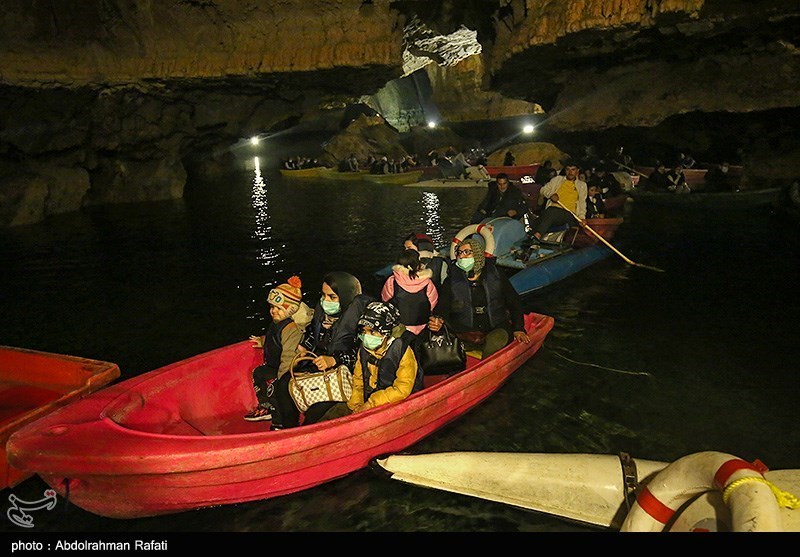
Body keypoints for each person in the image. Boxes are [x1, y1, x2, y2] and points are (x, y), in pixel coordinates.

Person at [270, 271, 374, 429]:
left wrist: (335, 360)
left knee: (316, 411)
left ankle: (305, 434)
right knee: (284, 383)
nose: (326, 301)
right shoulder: (322, 314)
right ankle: (288, 429)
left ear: (346, 296)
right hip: (319, 365)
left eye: (332, 297)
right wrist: (304, 347)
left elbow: (363, 354)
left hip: (346, 375)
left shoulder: (361, 321)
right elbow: (312, 334)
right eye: (324, 295)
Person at [314, 301, 423, 422]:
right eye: (363, 332)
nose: (366, 337)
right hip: (370, 399)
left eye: (372, 332)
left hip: (395, 401)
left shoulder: (402, 352)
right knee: (331, 414)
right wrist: (355, 406)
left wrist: (371, 404)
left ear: (385, 332)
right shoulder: (364, 350)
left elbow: (402, 389)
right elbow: (358, 380)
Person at [428, 236, 529, 359]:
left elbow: (514, 301)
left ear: (477, 255)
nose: (462, 256)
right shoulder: (451, 281)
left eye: (466, 252)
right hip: (463, 331)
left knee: (494, 343)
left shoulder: (496, 275)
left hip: (495, 328)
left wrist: (518, 328)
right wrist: (438, 319)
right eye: (459, 253)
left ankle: (488, 368)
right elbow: (443, 305)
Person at [244, 276, 313, 422]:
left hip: (284, 369)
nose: (273, 311)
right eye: (272, 307)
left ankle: (279, 418)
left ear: (291, 309)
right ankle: (265, 406)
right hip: (273, 364)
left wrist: (283, 378)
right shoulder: (277, 322)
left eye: (279, 308)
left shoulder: (291, 329)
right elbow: (275, 338)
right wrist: (262, 341)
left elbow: (288, 354)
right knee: (258, 373)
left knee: (275, 387)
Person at [381, 249, 438, 335]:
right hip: (422, 327)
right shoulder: (427, 282)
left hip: (399, 328)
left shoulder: (392, 281)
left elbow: (385, 299)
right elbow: (433, 303)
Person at [529, 161, 588, 241]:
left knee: (551, 212)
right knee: (545, 214)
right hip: (551, 211)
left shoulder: (582, 186)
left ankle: (537, 236)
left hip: (569, 214)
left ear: (577, 171)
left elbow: (582, 203)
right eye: (568, 169)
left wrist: (582, 217)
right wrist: (550, 195)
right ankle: (532, 236)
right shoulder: (557, 180)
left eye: (573, 169)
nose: (570, 172)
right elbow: (543, 190)